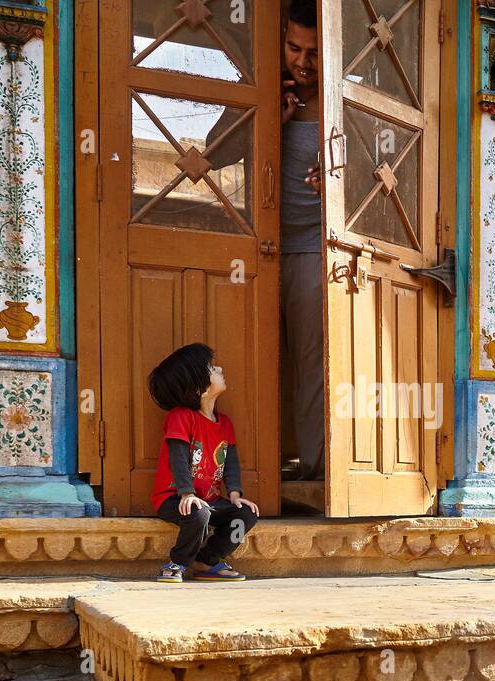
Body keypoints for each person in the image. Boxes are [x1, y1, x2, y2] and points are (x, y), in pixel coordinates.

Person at [205, 0, 325, 481]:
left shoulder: (341, 103)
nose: (302, 61)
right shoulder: (262, 90)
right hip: (258, 244)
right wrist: (268, 115)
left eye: (314, 52)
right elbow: (214, 153)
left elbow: (377, 181)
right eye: (294, 47)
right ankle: (248, 469)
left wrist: (336, 182)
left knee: (311, 362)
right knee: (252, 354)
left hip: (317, 248)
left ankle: (315, 471)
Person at [148, 343, 260, 583]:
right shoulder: (181, 417)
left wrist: (234, 493)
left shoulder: (225, 423)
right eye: (211, 368)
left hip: (209, 501)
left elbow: (230, 462)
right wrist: (186, 493)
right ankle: (177, 563)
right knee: (198, 515)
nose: (218, 368)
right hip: (174, 498)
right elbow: (177, 458)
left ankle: (207, 560)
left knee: (247, 514)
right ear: (200, 388)